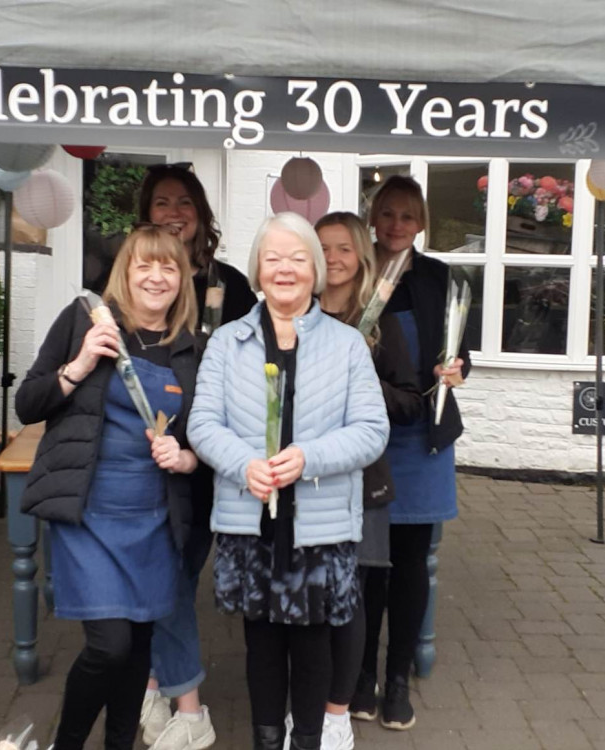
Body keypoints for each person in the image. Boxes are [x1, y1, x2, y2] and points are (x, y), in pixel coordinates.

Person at [186, 213, 390, 750]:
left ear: (315, 270)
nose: (285, 269)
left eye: (298, 258)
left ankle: (308, 741)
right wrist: (243, 464)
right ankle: (266, 741)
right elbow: (203, 424)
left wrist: (309, 457)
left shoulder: (347, 345)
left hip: (319, 526)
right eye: (273, 258)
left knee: (314, 645)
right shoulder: (228, 342)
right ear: (257, 268)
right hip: (250, 520)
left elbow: (372, 430)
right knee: (262, 644)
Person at [15, 226, 202, 750]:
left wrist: (185, 457)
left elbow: (206, 436)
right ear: (125, 271)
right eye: (145, 265)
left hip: (154, 519)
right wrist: (77, 367)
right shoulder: (85, 320)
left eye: (168, 267)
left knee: (140, 644)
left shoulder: (191, 349)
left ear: (182, 279)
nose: (156, 277)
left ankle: (119, 744)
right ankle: (68, 742)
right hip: (89, 514)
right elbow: (28, 403)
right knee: (109, 645)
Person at [136, 163, 257, 750]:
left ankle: (165, 686)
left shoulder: (231, 285)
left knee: (174, 575)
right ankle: (172, 692)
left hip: (211, 457)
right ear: (146, 214)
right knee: (164, 576)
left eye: (185, 202)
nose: (174, 212)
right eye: (162, 203)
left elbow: (259, 367)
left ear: (202, 214)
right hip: (149, 456)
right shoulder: (134, 277)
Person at [353, 176, 470, 731]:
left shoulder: (438, 277)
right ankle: (360, 677)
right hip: (365, 437)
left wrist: (458, 368)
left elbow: (457, 349)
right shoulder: (355, 271)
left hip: (421, 436)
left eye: (407, 216)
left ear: (422, 223)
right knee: (368, 568)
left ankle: (397, 677)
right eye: (387, 214)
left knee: (410, 568)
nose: (397, 225)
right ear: (373, 218)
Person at [314, 212, 423, 750]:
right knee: (309, 592)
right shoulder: (296, 312)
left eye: (343, 248)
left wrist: (360, 380)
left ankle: (348, 692)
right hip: (304, 478)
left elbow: (409, 403)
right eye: (323, 248)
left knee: (353, 592)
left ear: (361, 255)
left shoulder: (378, 322)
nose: (332, 258)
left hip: (360, 482)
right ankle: (312, 696)